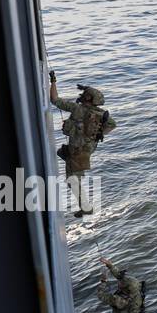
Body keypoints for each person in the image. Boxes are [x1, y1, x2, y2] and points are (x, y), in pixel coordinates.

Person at [49, 71, 115, 217]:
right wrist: (100, 134)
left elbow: (54, 99)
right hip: (87, 149)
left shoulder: (76, 108)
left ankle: (86, 207)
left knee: (72, 180)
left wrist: (53, 81)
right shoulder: (101, 114)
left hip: (77, 151)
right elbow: (112, 124)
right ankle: (84, 205)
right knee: (65, 158)